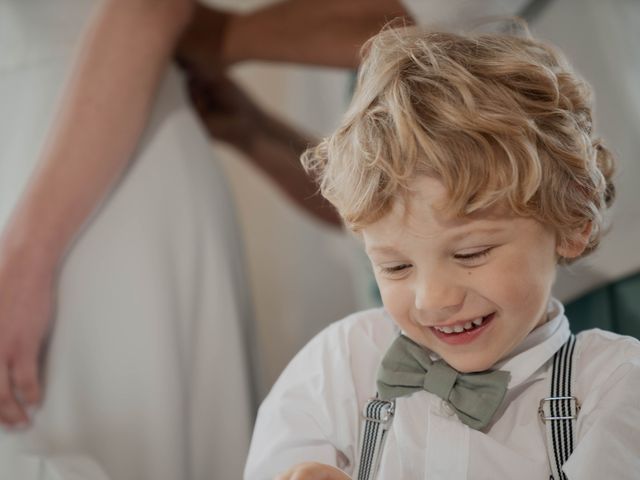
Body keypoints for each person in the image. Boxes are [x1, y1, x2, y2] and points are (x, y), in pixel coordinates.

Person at [244, 26, 640, 479]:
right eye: (396, 266)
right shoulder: (339, 365)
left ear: (572, 223)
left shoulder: (615, 388)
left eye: (472, 254)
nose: (433, 299)